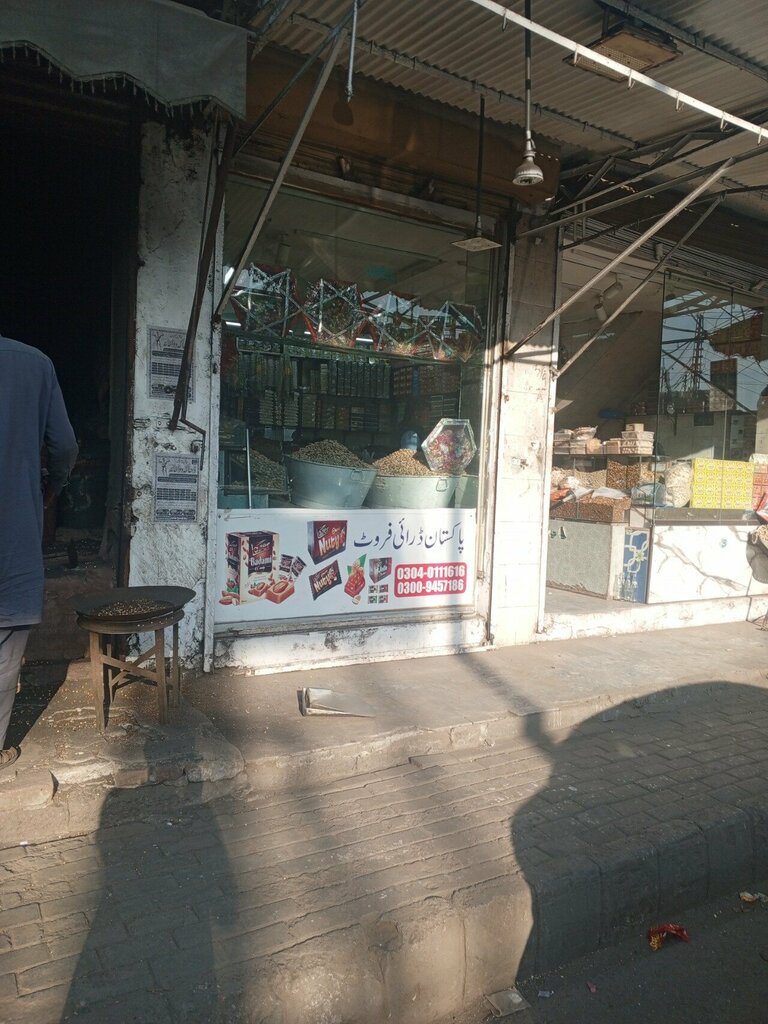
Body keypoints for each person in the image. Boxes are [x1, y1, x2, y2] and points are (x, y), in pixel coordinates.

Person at [0, 335, 78, 769]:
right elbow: (64, 445)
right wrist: (53, 488)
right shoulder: (35, 363)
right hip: (11, 528)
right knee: (6, 642)